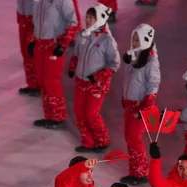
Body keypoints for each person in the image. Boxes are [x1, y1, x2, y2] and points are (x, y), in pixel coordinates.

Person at [68, 4, 120, 153]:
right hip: (81, 81)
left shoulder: (107, 41)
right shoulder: (82, 35)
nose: (88, 20)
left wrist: (97, 77)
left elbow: (114, 63)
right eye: (87, 17)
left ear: (100, 19)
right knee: (79, 112)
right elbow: (76, 54)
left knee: (91, 114)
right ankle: (88, 141)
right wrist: (72, 68)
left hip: (97, 84)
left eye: (92, 18)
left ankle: (102, 140)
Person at [120, 24, 160, 185]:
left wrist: (143, 107)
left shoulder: (151, 63)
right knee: (129, 137)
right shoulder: (133, 58)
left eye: (138, 39)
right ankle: (135, 169)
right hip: (131, 106)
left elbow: (153, 86)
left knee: (134, 138)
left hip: (141, 108)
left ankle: (140, 172)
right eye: (134, 38)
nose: (135, 42)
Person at [30, 0, 78, 129]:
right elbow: (34, 20)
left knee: (51, 82)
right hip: (39, 44)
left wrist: (63, 43)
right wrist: (33, 39)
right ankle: (49, 116)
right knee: (42, 82)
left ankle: (59, 117)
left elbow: (72, 22)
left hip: (53, 45)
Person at [17, 0, 40, 97]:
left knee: (31, 52)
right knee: (25, 52)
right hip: (23, 17)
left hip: (34, 20)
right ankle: (31, 83)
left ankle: (37, 84)